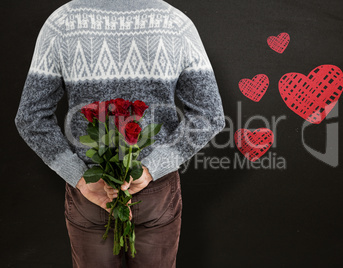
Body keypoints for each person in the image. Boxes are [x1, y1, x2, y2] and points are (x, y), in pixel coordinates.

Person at [14, 0, 225, 267]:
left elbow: (30, 118)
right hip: (154, 191)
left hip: (91, 191)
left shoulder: (61, 23)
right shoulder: (176, 24)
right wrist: (150, 169)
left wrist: (79, 177)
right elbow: (210, 115)